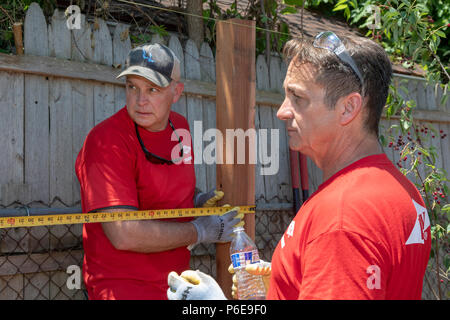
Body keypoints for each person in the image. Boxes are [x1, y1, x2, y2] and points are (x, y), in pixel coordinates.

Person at [167, 31, 431, 300]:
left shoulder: (341, 215)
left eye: (298, 98)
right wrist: (292, 282)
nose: (282, 111)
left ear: (348, 108)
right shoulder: (402, 190)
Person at [75, 43, 243, 300]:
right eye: (132, 87)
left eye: (153, 89)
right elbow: (123, 233)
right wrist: (200, 230)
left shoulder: (180, 129)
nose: (140, 100)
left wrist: (195, 200)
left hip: (177, 286)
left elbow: (165, 189)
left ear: (176, 92)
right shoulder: (106, 141)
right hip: (122, 289)